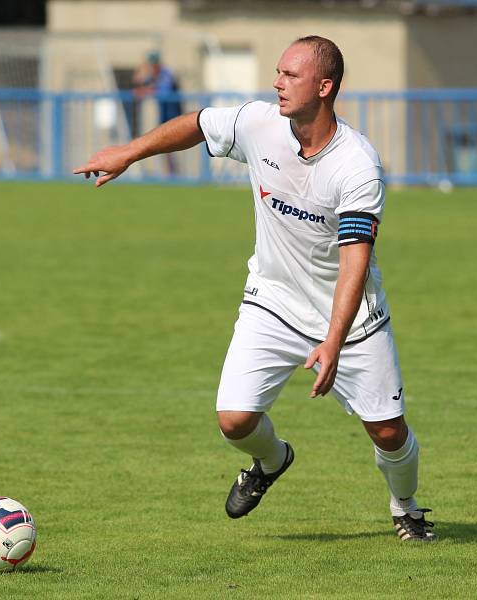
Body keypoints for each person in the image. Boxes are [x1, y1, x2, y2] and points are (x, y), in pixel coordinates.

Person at [74, 36, 436, 542]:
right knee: (234, 420)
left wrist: (332, 343)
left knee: (388, 432)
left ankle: (407, 508)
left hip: (349, 319)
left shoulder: (357, 164)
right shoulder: (258, 123)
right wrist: (130, 153)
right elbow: (198, 124)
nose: (276, 83)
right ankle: (272, 460)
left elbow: (356, 259)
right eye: (278, 72)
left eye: (290, 75)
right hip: (271, 301)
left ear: (325, 86)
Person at [133, 51, 183, 175]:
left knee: (171, 145)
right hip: (163, 114)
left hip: (174, 114)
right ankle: (170, 173)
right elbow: (138, 81)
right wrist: (142, 70)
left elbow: (164, 92)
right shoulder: (154, 74)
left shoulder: (166, 73)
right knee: (164, 146)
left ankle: (173, 173)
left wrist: (146, 91)